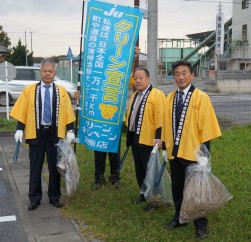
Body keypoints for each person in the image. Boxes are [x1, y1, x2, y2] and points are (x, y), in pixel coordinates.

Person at [161, 60, 222, 240]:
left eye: (184, 73)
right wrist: (165, 148)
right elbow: (166, 125)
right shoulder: (170, 97)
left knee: (196, 191)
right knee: (177, 187)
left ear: (192, 74)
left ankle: (200, 225)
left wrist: (204, 156)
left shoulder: (201, 98)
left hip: (193, 153)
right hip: (175, 151)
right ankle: (180, 218)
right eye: (177, 74)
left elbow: (207, 128)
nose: (181, 77)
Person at [10, 58, 76, 211]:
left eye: (50, 71)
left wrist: (70, 130)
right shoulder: (30, 90)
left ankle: (54, 197)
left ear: (55, 73)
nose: (47, 74)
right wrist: (20, 129)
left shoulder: (61, 91)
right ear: (40, 72)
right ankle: (34, 198)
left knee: (55, 167)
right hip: (36, 133)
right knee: (35, 167)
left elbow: (67, 112)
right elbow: (23, 111)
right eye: (45, 71)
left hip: (55, 134)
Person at [74, 47, 140, 190]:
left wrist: (134, 58)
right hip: (98, 120)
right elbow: (84, 93)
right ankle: (99, 179)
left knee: (114, 151)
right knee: (98, 152)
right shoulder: (95, 78)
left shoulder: (117, 78)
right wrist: (78, 96)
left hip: (114, 121)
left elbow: (132, 80)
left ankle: (115, 178)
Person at [126, 67, 166, 207]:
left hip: (150, 140)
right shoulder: (135, 95)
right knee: (139, 169)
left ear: (148, 79)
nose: (137, 81)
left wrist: (159, 137)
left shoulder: (157, 94)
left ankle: (154, 198)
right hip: (136, 138)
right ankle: (143, 193)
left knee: (151, 170)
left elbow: (161, 118)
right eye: (136, 78)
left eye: (140, 78)